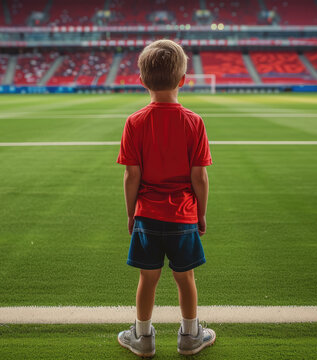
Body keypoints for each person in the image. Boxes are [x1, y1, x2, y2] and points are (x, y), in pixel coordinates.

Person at [116, 39, 216, 357]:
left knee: (148, 278)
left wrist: (132, 212)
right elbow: (199, 176)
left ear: (142, 80)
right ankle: (190, 335)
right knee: (185, 278)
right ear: (183, 80)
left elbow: (132, 175)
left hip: (147, 213)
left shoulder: (134, 122)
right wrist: (200, 213)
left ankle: (143, 337)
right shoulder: (194, 122)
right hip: (184, 215)